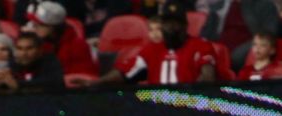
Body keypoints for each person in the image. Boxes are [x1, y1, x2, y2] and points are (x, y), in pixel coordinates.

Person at [78, 2, 217, 87]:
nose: (171, 27)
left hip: (189, 108)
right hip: (157, 109)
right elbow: (124, 72)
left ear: (186, 25)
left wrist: (201, 86)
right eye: (167, 23)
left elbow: (208, 75)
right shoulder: (152, 49)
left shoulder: (200, 46)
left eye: (176, 23)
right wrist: (97, 83)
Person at [29, 1, 99, 76]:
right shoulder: (40, 44)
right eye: (34, 24)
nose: (34, 27)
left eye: (39, 25)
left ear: (52, 27)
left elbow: (84, 77)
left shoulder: (77, 46)